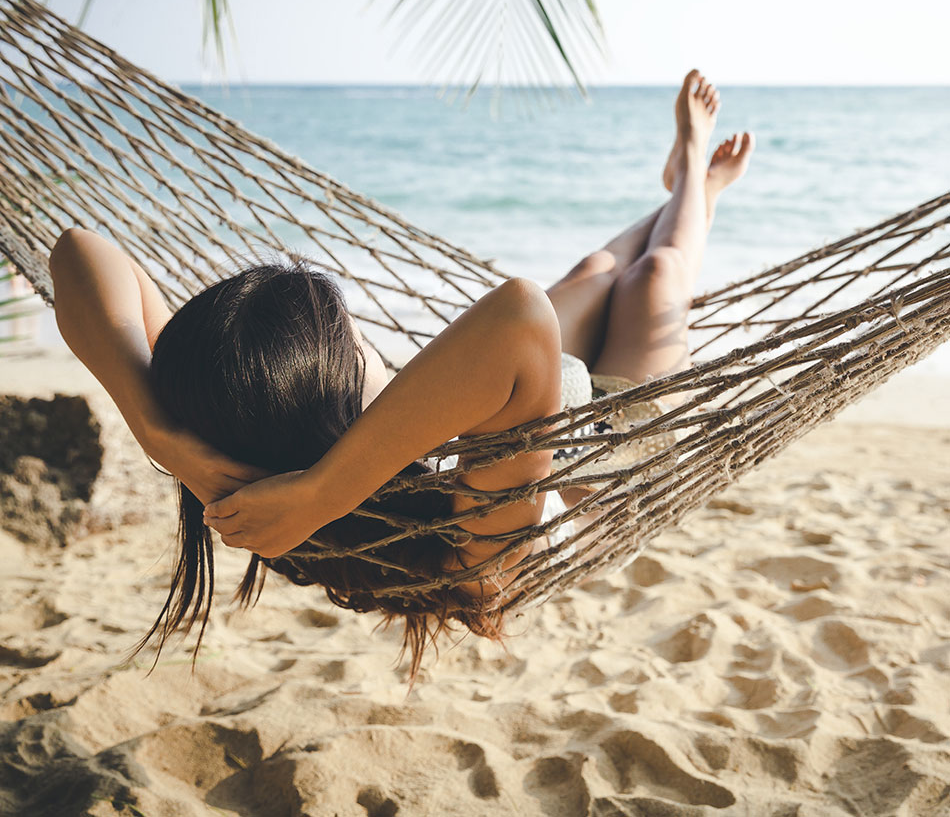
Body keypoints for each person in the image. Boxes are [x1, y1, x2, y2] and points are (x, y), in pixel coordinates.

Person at [49, 70, 754, 677]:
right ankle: (697, 181)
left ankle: (675, 197)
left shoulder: (241, 445)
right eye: (361, 350)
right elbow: (519, 317)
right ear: (339, 411)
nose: (372, 346)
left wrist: (162, 438)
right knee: (654, 275)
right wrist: (323, 493)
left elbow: (79, 252)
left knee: (597, 271)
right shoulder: (466, 534)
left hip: (521, 388)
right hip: (597, 442)